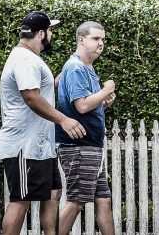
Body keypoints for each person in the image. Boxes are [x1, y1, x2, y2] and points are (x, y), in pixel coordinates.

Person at [0, 11, 85, 235]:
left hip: (40, 146)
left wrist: (62, 78)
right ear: (42, 33)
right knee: (21, 200)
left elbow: (41, 90)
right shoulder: (25, 59)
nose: (52, 36)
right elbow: (31, 97)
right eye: (51, 31)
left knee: (53, 194)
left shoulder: (30, 59)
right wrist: (63, 119)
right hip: (24, 146)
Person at [55, 21, 116, 235]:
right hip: (78, 146)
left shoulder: (87, 68)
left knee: (103, 199)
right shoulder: (75, 68)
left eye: (103, 40)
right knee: (77, 201)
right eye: (96, 39)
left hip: (91, 146)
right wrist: (107, 88)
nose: (101, 43)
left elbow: (88, 102)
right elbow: (81, 106)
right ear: (82, 40)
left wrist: (103, 101)